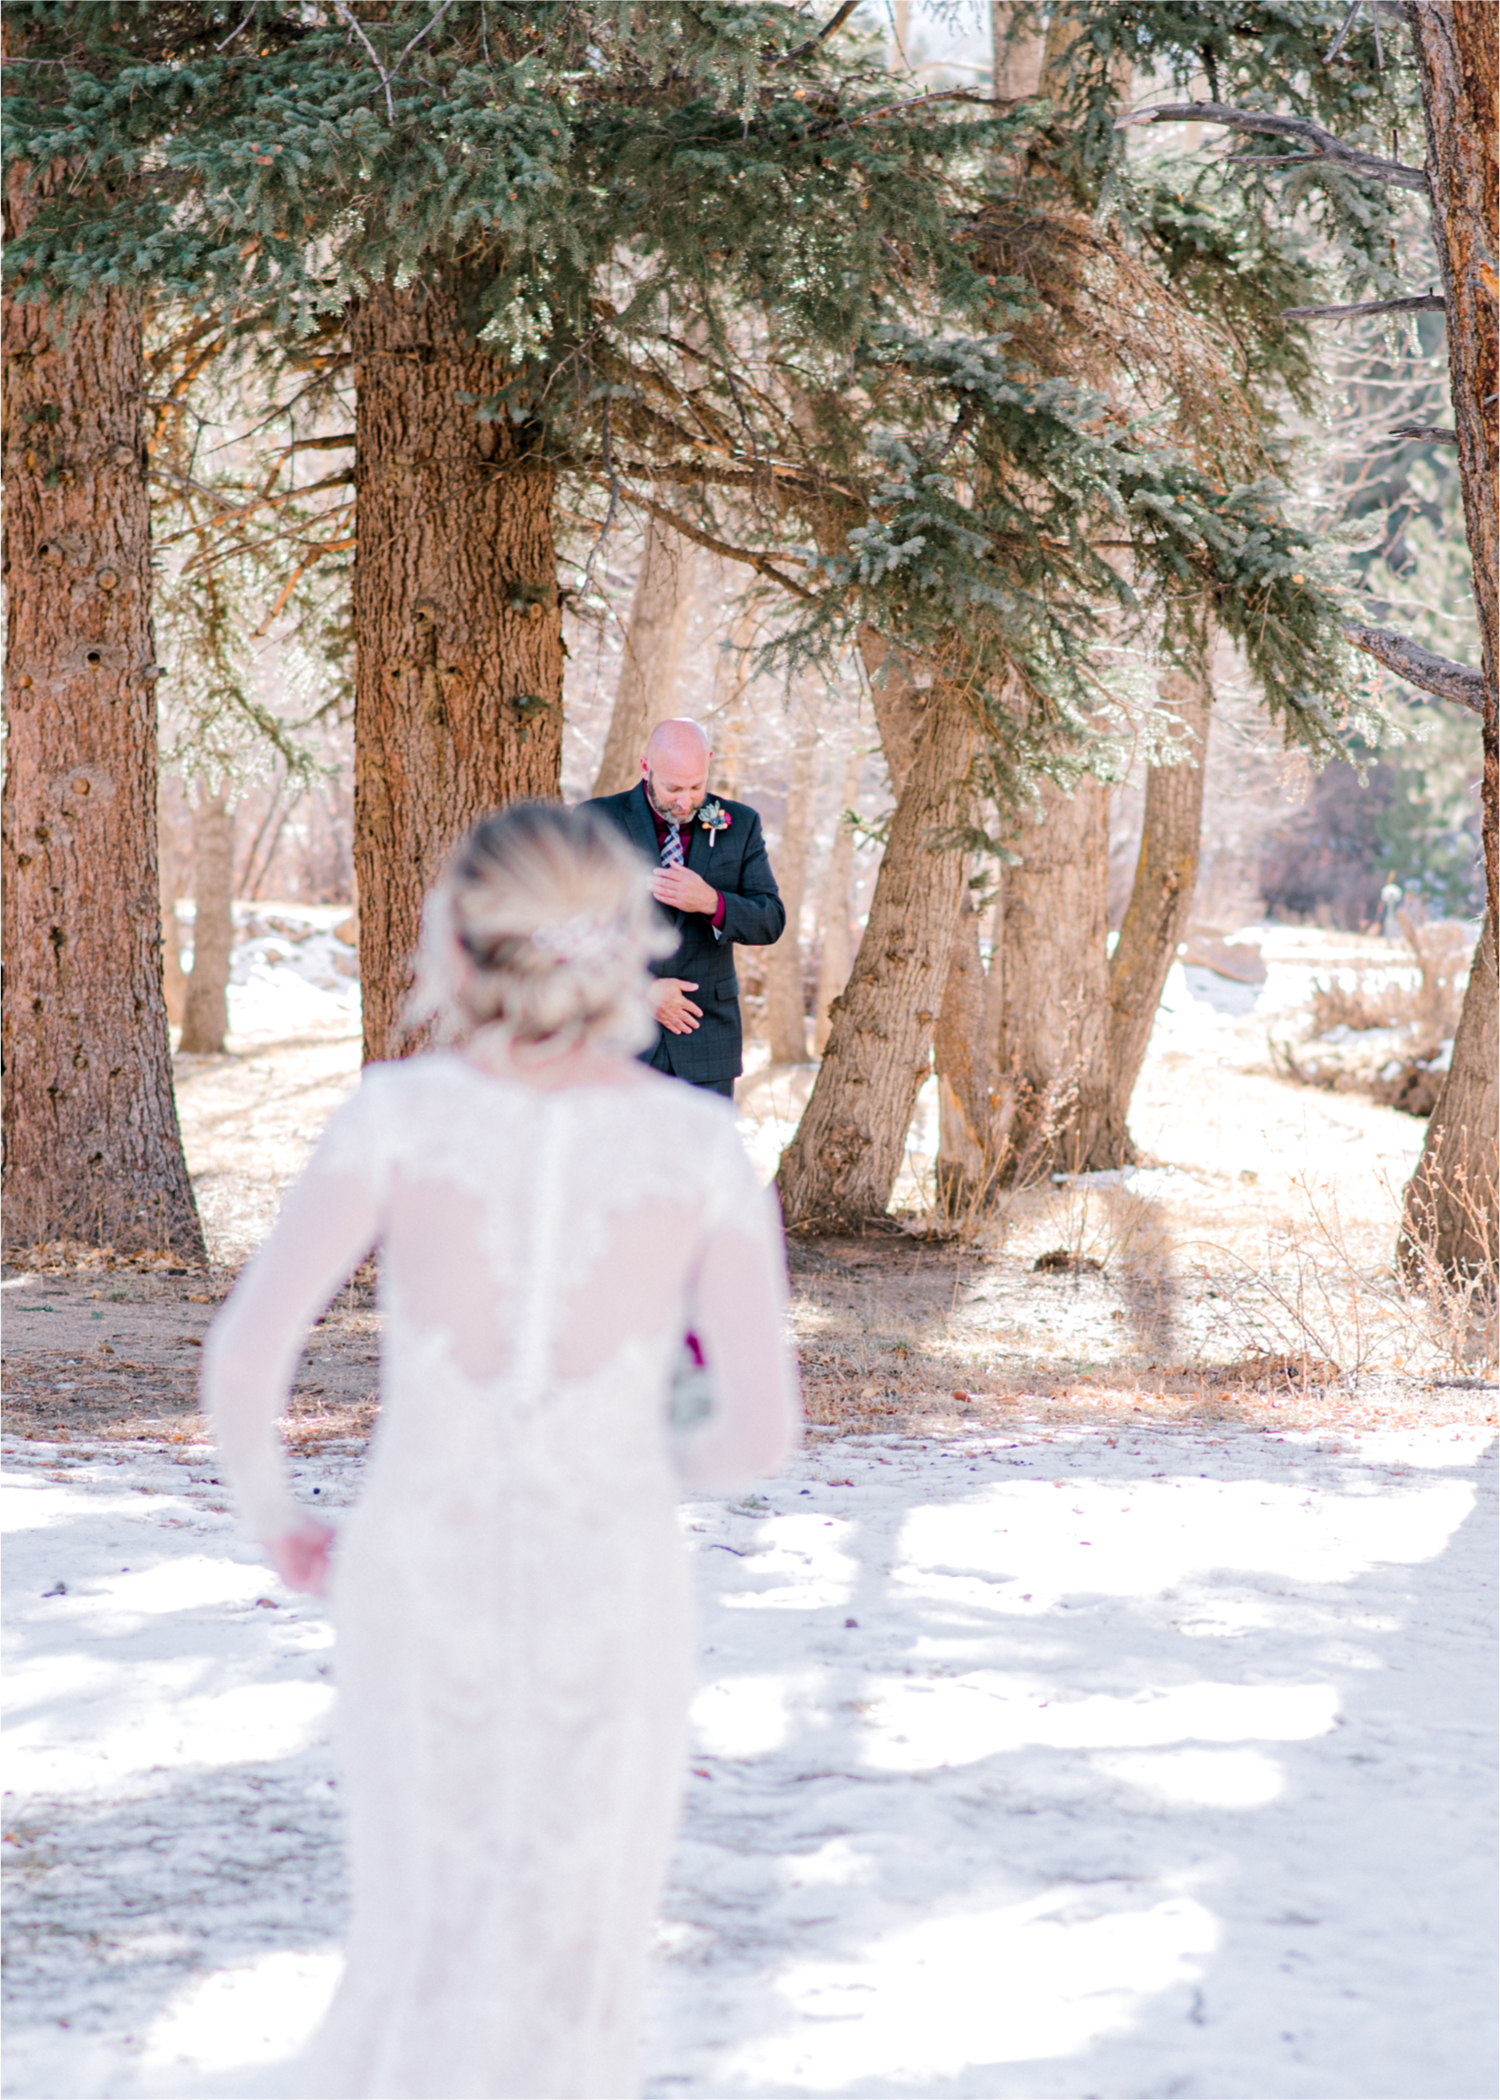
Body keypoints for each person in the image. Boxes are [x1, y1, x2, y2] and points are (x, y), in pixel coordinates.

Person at [202, 803, 798, 2100]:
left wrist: (279, 1518)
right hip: (613, 1582)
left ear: (459, 950)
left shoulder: (396, 1116)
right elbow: (760, 1430)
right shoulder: (701, 1147)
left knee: (419, 1944)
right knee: (580, 1971)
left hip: (419, 1577)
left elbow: (247, 1358)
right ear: (625, 949)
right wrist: (628, 1447)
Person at [583, 717, 785, 1097]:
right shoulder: (596, 821)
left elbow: (770, 920)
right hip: (616, 1039)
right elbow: (568, 928)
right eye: (673, 787)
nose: (685, 800)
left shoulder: (741, 824)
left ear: (709, 761)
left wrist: (711, 901)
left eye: (696, 786)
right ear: (646, 768)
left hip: (706, 1041)